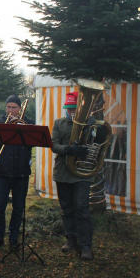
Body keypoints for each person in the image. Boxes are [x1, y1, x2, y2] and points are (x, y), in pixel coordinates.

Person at [0, 95, 34, 249]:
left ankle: (14, 238)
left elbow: (34, 141)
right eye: (8, 107)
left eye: (14, 107)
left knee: (18, 208)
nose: (10, 111)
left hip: (21, 173)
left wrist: (21, 126)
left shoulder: (29, 123)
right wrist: (2, 135)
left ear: (20, 109)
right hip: (3, 173)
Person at [51, 91, 93, 260]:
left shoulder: (90, 123)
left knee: (81, 208)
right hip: (63, 172)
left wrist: (86, 150)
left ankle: (85, 246)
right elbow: (53, 145)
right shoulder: (59, 123)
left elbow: (96, 143)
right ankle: (71, 239)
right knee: (67, 207)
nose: (72, 112)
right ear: (65, 109)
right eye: (69, 108)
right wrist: (68, 150)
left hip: (82, 173)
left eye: (75, 108)